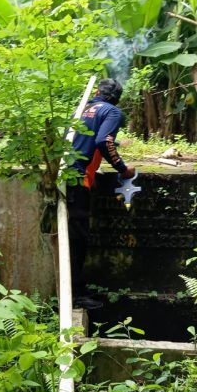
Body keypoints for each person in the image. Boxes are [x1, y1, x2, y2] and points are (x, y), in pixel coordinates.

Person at [68, 78, 136, 310]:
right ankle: (75, 295)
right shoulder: (112, 111)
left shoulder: (81, 110)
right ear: (117, 98)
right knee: (78, 239)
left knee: (74, 236)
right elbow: (103, 141)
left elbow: (80, 143)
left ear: (97, 92)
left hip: (66, 176)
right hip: (77, 180)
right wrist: (123, 169)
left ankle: (77, 288)